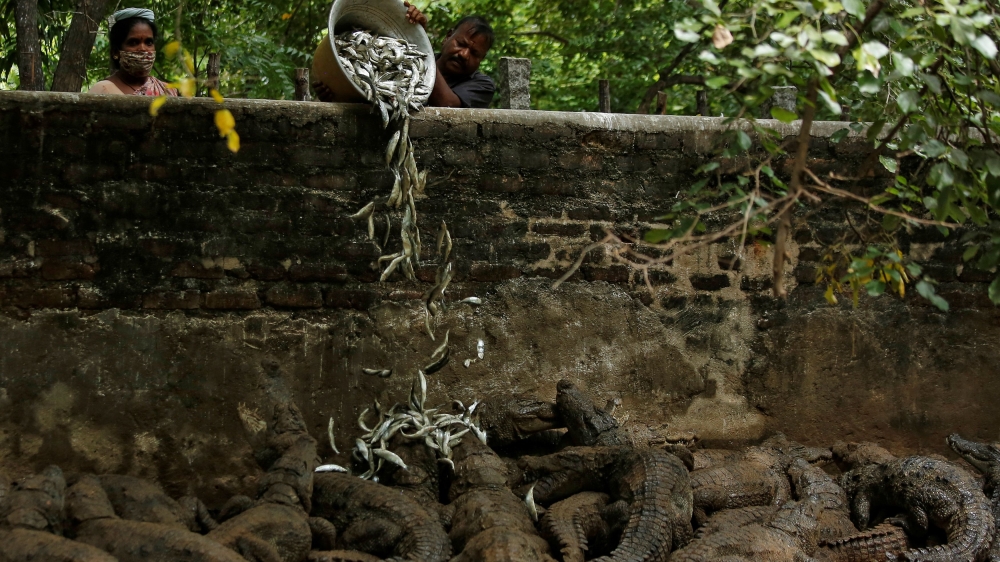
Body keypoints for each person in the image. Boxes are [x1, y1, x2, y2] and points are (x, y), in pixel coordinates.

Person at [403, 4, 495, 108]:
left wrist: (420, 40)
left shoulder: (483, 85)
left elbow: (447, 106)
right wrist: (411, 27)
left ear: (481, 59)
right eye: (461, 44)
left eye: (474, 53)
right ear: (448, 37)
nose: (464, 55)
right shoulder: (408, 59)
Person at [86, 8, 178, 96]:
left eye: (148, 42)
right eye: (133, 42)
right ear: (115, 52)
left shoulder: (167, 90)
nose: (143, 48)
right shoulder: (103, 90)